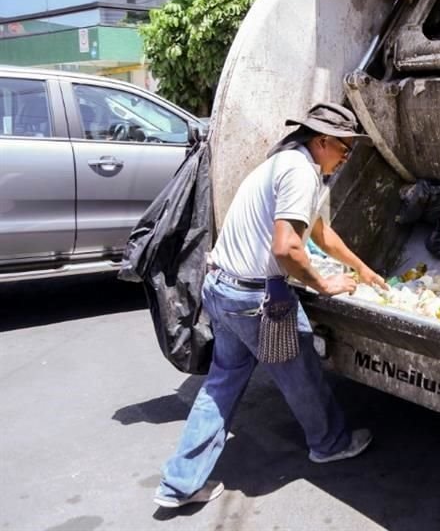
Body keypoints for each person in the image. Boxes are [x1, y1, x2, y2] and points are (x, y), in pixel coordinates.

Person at [153, 102, 387, 508]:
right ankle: (330, 443)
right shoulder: (301, 173)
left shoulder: (281, 164)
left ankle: (179, 482)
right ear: (322, 141)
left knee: (222, 383)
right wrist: (325, 285)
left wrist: (362, 269)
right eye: (345, 148)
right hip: (258, 301)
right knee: (301, 375)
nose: (347, 157)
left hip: (221, 289)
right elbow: (288, 248)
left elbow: (320, 233)